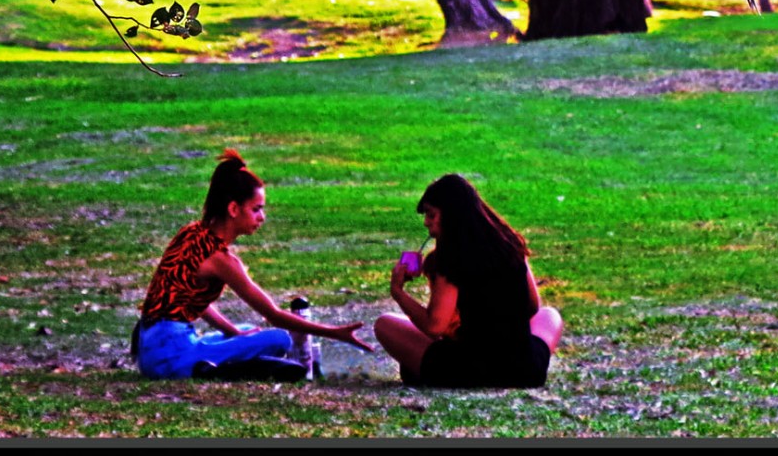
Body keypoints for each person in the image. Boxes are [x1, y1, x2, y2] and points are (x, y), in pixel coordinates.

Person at [133, 149, 372, 380]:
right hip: (174, 357)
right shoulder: (221, 260)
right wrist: (334, 333)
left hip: (151, 349)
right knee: (280, 340)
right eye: (256, 209)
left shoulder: (192, 233)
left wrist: (232, 332)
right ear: (234, 209)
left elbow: (190, 298)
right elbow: (273, 314)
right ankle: (222, 368)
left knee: (247, 329)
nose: (262, 217)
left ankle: (222, 363)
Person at [374, 174, 564, 388]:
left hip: (473, 368)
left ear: (452, 215)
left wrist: (398, 292)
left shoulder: (452, 257)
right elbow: (532, 306)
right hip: (526, 369)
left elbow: (434, 326)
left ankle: (426, 370)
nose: (426, 222)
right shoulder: (509, 244)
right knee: (549, 315)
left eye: (431, 214)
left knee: (385, 324)